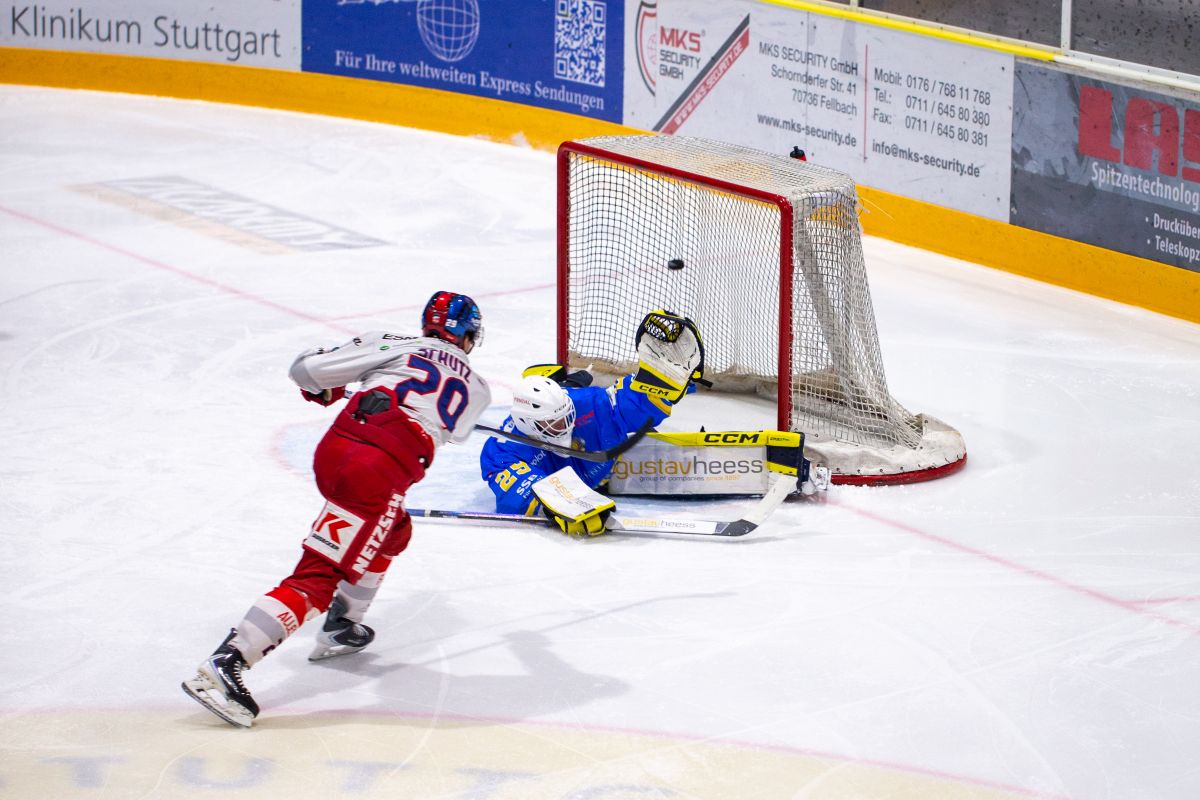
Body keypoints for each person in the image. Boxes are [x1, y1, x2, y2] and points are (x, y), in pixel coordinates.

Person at [183, 290, 492, 728]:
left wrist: (332, 385)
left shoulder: (391, 343)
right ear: (470, 336)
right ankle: (228, 663)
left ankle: (342, 626)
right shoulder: (478, 389)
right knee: (320, 573)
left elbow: (305, 370)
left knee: (394, 530)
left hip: (335, 451)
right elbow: (454, 428)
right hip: (376, 472)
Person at [480, 310, 704, 536]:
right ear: (528, 425)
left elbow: (621, 405)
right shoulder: (501, 450)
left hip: (599, 467)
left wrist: (661, 385)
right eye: (553, 424)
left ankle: (566, 382)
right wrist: (561, 506)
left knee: (613, 413)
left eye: (565, 417)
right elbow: (517, 492)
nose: (564, 426)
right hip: (581, 480)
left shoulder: (579, 404)